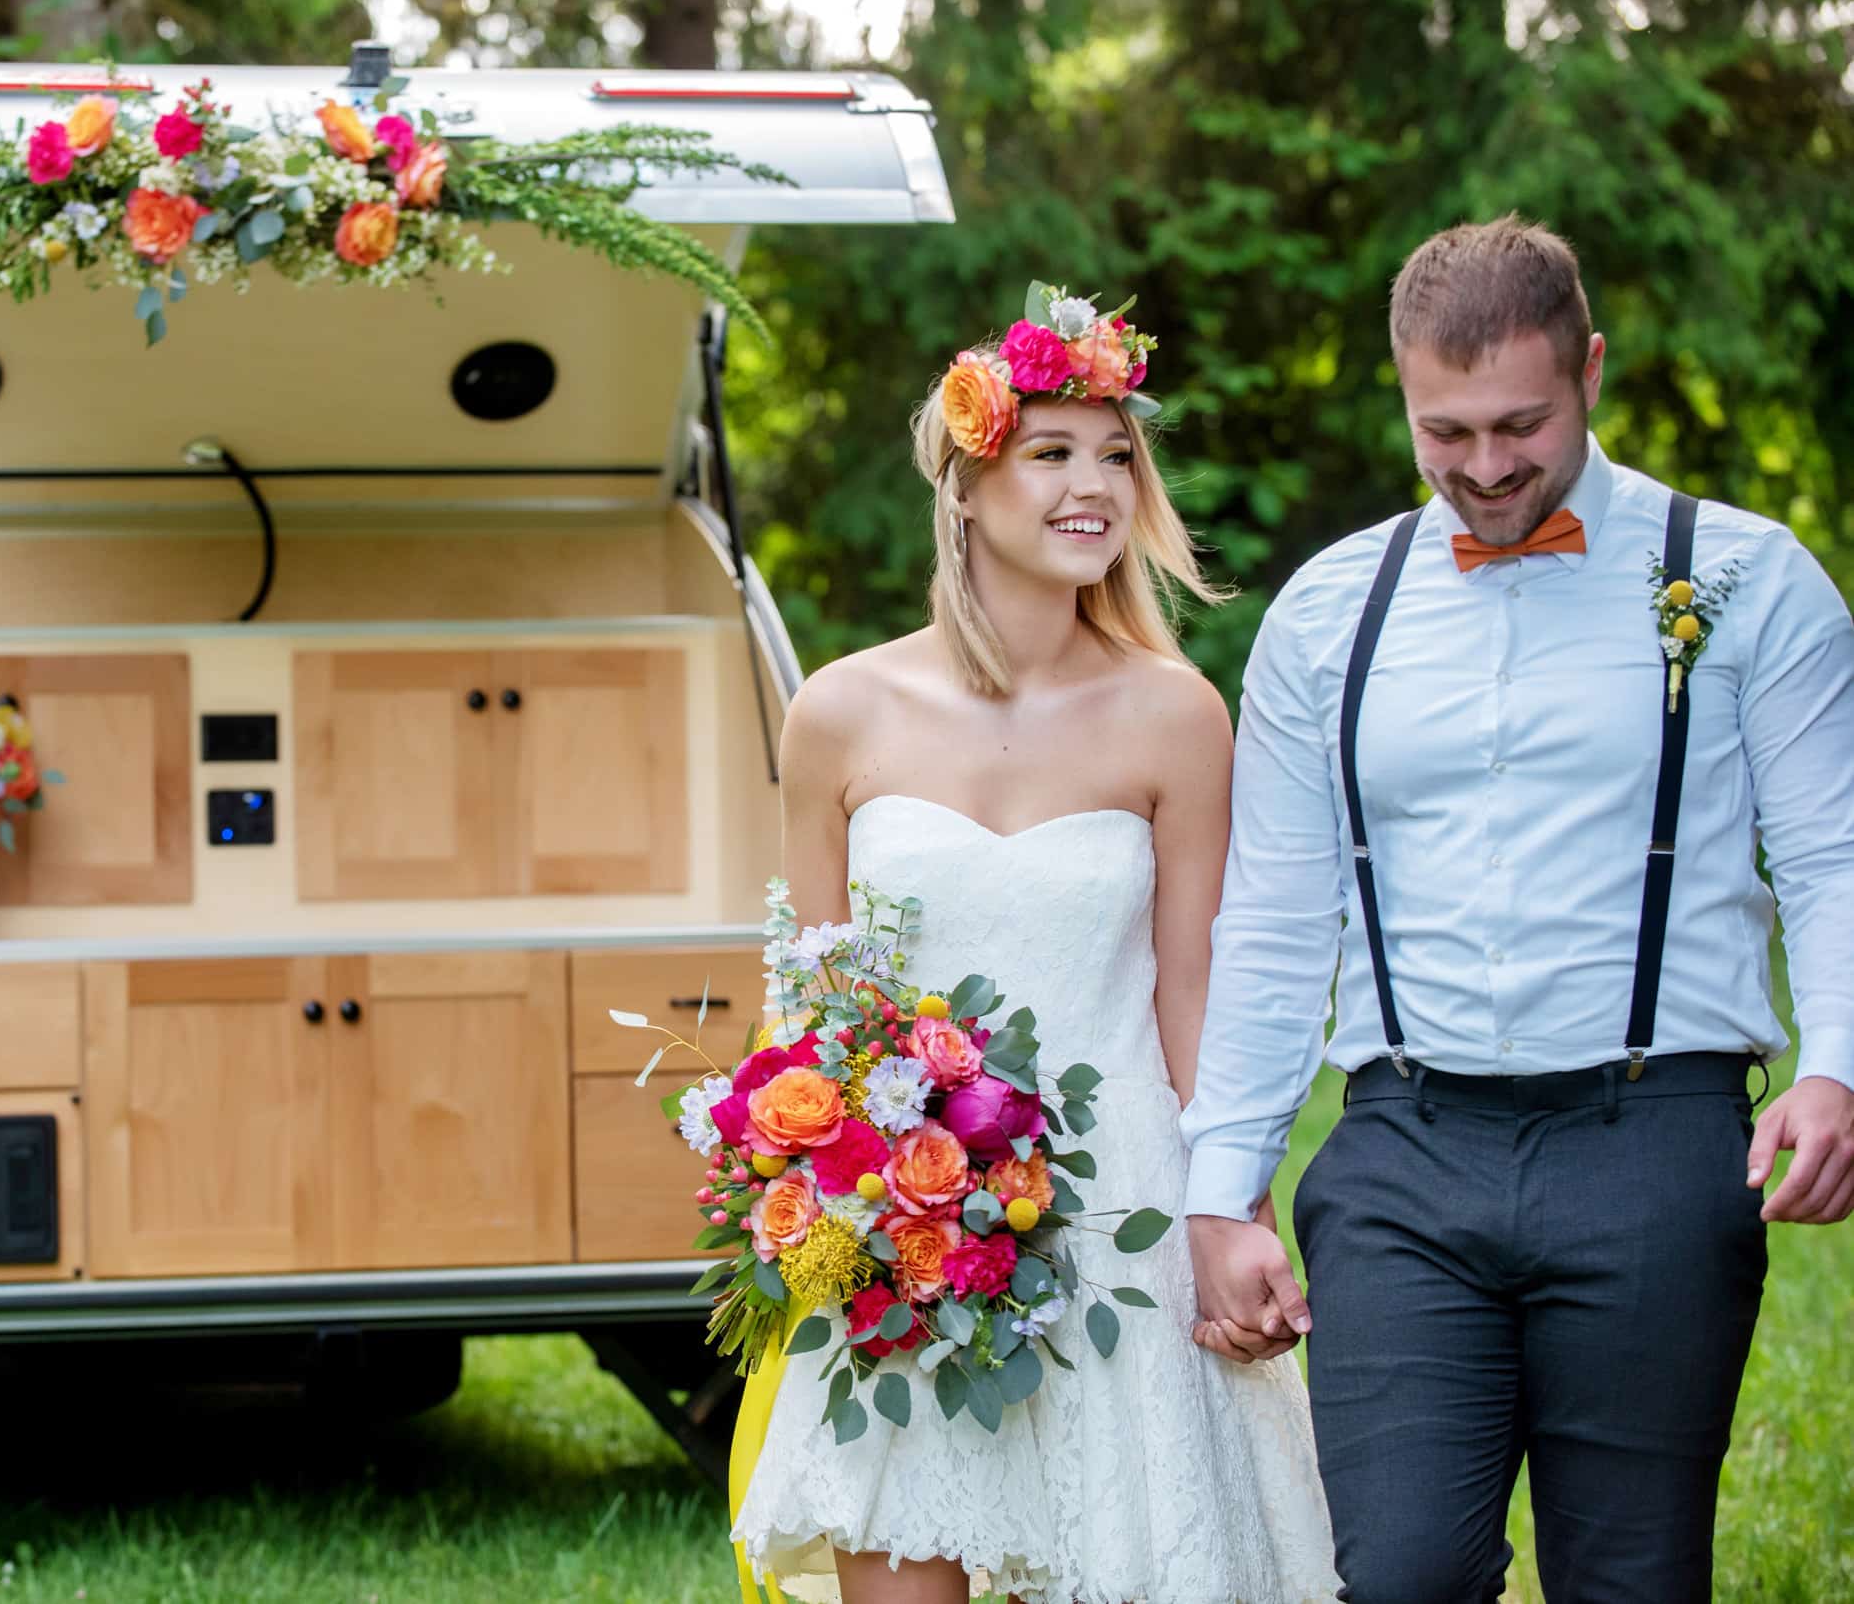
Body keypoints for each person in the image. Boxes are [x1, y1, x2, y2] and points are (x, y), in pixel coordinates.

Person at [1182, 214, 1854, 1603]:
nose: (1486, 468)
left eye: (1520, 425)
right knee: (1404, 1573)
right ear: (1403, 397)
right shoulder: (1327, 613)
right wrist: (1221, 1186)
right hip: (1403, 1154)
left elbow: (1835, 855)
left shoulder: (1750, 579)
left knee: (1633, 1574)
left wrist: (1838, 1062)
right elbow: (1275, 913)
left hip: (1654, 1141)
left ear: (1591, 369)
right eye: (1448, 432)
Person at [728, 291, 1340, 1603]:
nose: (1094, 484)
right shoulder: (839, 714)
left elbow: (1194, 998)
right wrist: (840, 1195)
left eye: (1117, 454)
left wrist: (1236, 1212)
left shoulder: (1177, 714)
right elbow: (818, 1007)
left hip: (1126, 1214)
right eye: (1051, 451)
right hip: (910, 1217)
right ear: (967, 478)